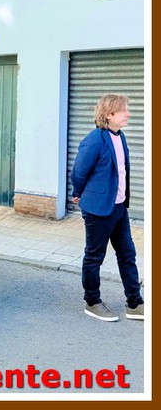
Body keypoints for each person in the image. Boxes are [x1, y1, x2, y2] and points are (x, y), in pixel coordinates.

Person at [71, 94, 144, 322]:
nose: (128, 114)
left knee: (127, 254)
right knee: (94, 257)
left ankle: (135, 303)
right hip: (98, 209)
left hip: (119, 208)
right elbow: (79, 171)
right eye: (124, 110)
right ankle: (92, 302)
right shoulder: (95, 139)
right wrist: (77, 192)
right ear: (109, 114)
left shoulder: (120, 137)